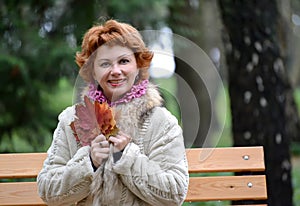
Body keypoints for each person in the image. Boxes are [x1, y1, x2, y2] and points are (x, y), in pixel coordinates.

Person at [37, 19, 189, 206]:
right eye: (105, 64)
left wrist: (127, 157)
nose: (116, 71)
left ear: (138, 65)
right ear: (92, 70)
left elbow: (175, 193)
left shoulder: (162, 122)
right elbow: (47, 190)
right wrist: (89, 162)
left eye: (124, 61)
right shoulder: (71, 119)